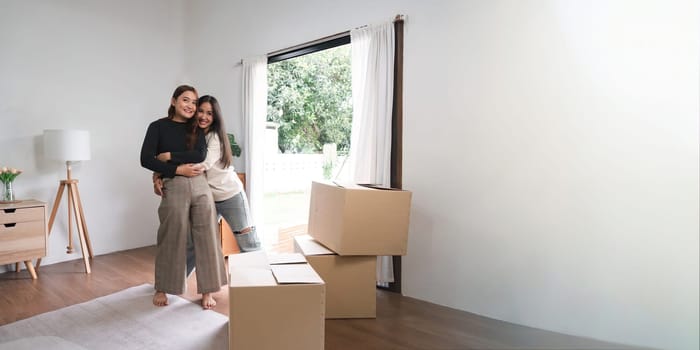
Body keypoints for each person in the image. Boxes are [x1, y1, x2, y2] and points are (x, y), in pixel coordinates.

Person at [140, 85, 227, 309]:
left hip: (199, 184)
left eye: (194, 102)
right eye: (185, 100)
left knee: (207, 236)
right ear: (174, 101)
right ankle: (162, 287)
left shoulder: (195, 129)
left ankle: (207, 291)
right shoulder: (157, 127)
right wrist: (177, 170)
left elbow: (199, 154)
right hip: (174, 183)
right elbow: (146, 159)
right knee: (171, 235)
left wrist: (169, 156)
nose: (190, 106)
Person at [154, 95, 261, 277]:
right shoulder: (190, 136)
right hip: (206, 198)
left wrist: (170, 158)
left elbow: (203, 163)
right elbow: (177, 162)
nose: (204, 116)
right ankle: (175, 282)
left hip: (230, 195)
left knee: (247, 240)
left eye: (209, 113)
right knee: (194, 243)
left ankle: (262, 283)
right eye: (201, 111)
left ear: (215, 117)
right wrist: (158, 174)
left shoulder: (215, 137)